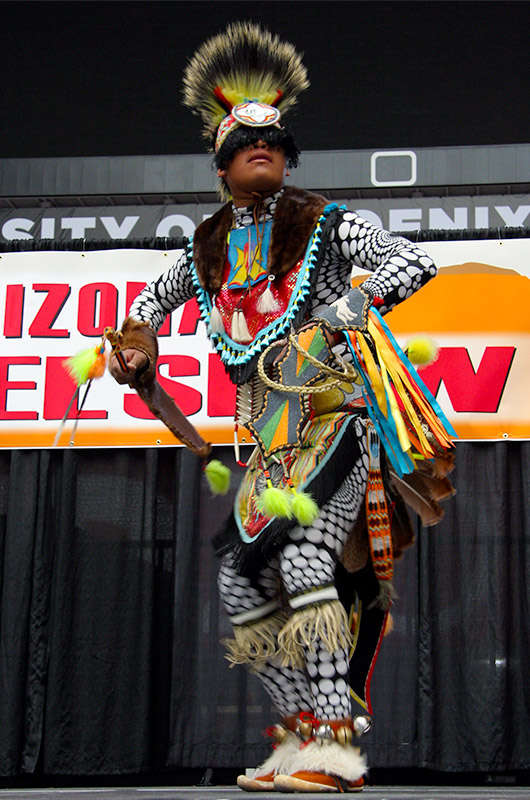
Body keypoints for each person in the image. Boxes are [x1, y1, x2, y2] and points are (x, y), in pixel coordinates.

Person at [109, 23, 454, 793]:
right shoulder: (200, 250)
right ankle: (299, 739)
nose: (262, 148)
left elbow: (416, 260)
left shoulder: (328, 224)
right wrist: (133, 351)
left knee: (302, 557)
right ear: (223, 162)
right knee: (239, 583)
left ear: (285, 155)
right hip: (267, 446)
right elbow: (143, 311)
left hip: (333, 422)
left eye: (274, 141)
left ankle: (337, 748)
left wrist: (350, 307)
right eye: (245, 141)